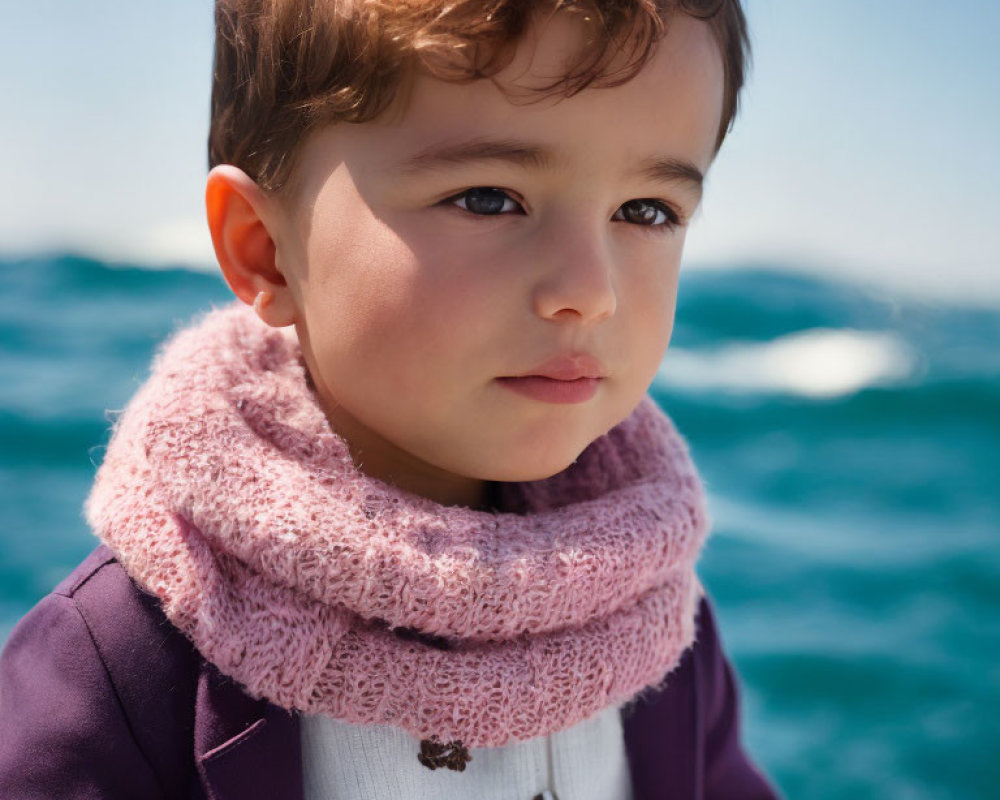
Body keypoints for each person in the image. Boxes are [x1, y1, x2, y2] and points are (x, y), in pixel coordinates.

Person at [0, 1, 780, 798]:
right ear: (264, 251)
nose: (590, 291)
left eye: (646, 211)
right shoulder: (126, 654)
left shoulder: (650, 620)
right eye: (488, 197)